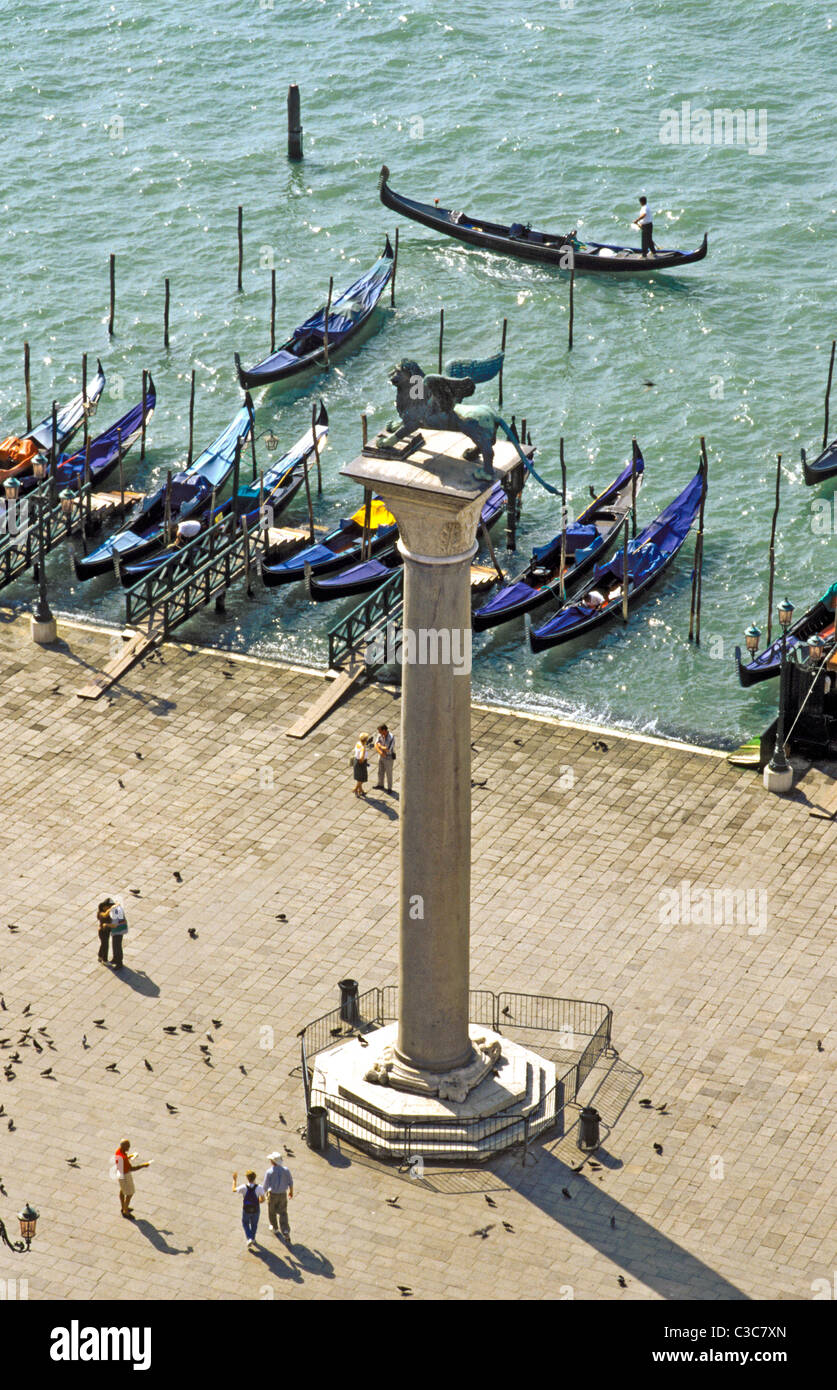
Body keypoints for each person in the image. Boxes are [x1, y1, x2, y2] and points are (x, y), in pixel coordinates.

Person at [114, 1138, 151, 1220]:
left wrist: (130, 1156)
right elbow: (132, 1168)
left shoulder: (119, 1152)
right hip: (125, 1175)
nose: (129, 1148)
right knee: (130, 1193)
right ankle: (126, 1211)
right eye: (128, 1146)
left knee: (122, 1190)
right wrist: (143, 1165)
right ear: (124, 1146)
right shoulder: (123, 1158)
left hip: (120, 1173)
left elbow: (124, 1159)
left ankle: (123, 1207)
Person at [262, 1149, 294, 1241]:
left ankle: (275, 1228)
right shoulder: (286, 1170)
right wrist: (291, 1192)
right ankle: (285, 1230)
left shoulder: (269, 1172)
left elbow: (265, 1186)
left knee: (272, 1212)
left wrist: (261, 1195)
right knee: (283, 1212)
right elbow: (290, 1182)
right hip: (283, 1194)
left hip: (272, 1194)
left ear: (272, 1162)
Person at [232, 1169, 265, 1249]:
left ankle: (249, 1237)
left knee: (245, 1222)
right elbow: (263, 1199)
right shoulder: (259, 1187)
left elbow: (234, 1189)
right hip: (256, 1209)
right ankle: (252, 1238)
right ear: (255, 1177)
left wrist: (234, 1180)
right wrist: (257, 1202)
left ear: (247, 1178)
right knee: (254, 1224)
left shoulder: (244, 1187)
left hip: (246, 1209)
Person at [374, 723, 396, 791]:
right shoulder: (379, 735)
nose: (379, 733)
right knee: (380, 771)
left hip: (388, 757)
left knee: (389, 773)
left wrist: (380, 746)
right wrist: (380, 752)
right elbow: (376, 744)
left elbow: (388, 749)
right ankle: (380, 784)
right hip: (381, 755)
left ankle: (389, 788)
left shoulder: (391, 737)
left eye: (380, 731)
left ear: (384, 730)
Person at [108, 899, 128, 970]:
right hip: (119, 929)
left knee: (117, 946)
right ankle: (115, 958)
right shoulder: (117, 908)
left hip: (119, 930)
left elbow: (115, 924)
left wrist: (107, 925)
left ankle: (119, 962)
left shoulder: (116, 911)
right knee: (115, 945)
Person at [352, 734, 370, 798]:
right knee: (362, 778)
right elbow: (361, 756)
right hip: (361, 763)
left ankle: (360, 790)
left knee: (359, 777)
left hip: (355, 760)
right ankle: (355, 789)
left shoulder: (358, 743)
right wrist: (362, 760)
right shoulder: (363, 747)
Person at [97, 897, 114, 964]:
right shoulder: (100, 913)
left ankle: (100, 956)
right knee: (105, 945)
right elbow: (105, 915)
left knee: (103, 944)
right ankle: (105, 960)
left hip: (107, 931)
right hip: (102, 931)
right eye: (108, 907)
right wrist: (111, 909)